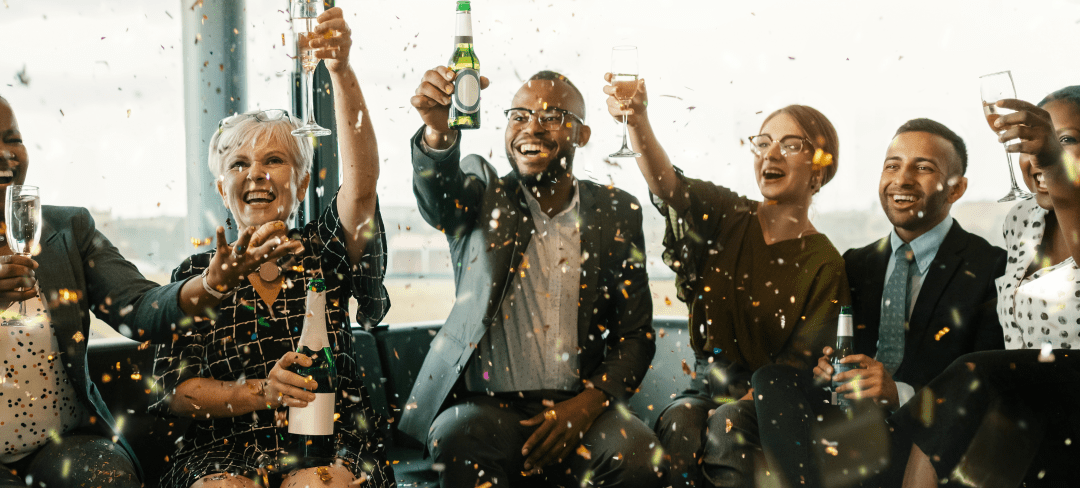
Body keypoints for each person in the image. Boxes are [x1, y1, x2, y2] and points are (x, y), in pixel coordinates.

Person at [0, 59, 235, 488]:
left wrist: (210, 284)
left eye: (13, 138)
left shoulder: (68, 230)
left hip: (67, 442)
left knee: (105, 479)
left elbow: (140, 309)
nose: (4, 152)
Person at [152, 8, 390, 488]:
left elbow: (361, 186)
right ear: (223, 189)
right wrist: (264, 391)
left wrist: (340, 71)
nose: (256, 174)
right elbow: (177, 393)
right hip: (223, 448)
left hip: (333, 439)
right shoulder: (196, 274)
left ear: (301, 182)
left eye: (274, 160)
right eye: (239, 164)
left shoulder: (323, 251)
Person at [396, 62, 661, 485]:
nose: (531, 128)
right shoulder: (481, 195)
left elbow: (635, 335)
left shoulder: (617, 212)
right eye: (518, 116)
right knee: (456, 437)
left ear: (582, 134)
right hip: (486, 408)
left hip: (580, 407)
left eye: (551, 117)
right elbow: (438, 194)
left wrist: (591, 401)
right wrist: (438, 133)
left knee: (640, 456)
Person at [897, 86, 1080, 486]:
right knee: (990, 418)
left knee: (976, 374)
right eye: (1036, 143)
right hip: (1052, 394)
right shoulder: (1023, 220)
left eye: (1065, 141)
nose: (1039, 156)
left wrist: (1056, 164)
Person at [604, 77, 848, 486]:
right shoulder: (726, 214)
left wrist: (742, 404)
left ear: (819, 173)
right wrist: (638, 120)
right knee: (681, 421)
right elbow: (667, 185)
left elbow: (799, 368)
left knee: (729, 425)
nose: (771, 153)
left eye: (791, 145)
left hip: (776, 400)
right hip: (707, 384)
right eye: (764, 142)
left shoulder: (826, 263)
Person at [744, 118, 1007, 486]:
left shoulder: (990, 268)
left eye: (923, 167)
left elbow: (987, 387)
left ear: (956, 189)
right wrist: (827, 370)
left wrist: (897, 393)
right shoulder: (855, 263)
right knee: (772, 378)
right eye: (892, 165)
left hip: (926, 437)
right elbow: (836, 353)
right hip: (853, 429)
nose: (902, 179)